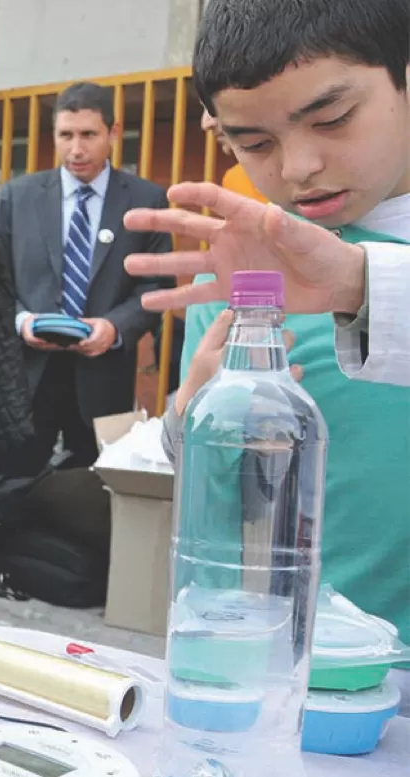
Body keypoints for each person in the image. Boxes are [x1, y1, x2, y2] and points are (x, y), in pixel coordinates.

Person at [124, 0, 410, 641]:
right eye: (254, 142)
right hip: (323, 661)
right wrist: (192, 420)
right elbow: (220, 498)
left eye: (332, 119)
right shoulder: (247, 271)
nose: (297, 167)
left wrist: (360, 285)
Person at [0, 81, 169, 472]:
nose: (76, 149)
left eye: (88, 134)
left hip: (103, 382)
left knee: (92, 502)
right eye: (65, 135)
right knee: (11, 492)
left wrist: (115, 327)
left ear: (114, 133)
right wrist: (22, 322)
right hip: (26, 380)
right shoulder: (16, 198)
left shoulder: (146, 201)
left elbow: (157, 287)